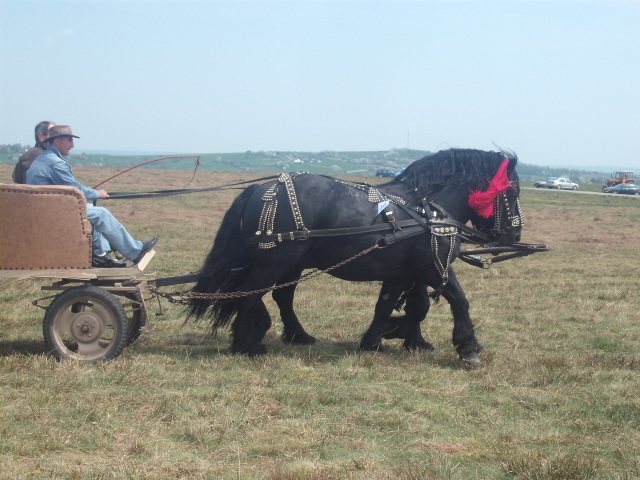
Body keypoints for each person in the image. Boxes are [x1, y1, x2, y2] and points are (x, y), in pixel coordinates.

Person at [26, 125, 158, 268]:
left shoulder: (43, 159)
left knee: (94, 212)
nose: (72, 145)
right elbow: (74, 189)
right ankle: (134, 251)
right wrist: (98, 193)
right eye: (69, 140)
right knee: (101, 213)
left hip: (47, 208)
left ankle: (102, 254)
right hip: (52, 212)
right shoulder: (55, 163)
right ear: (57, 142)